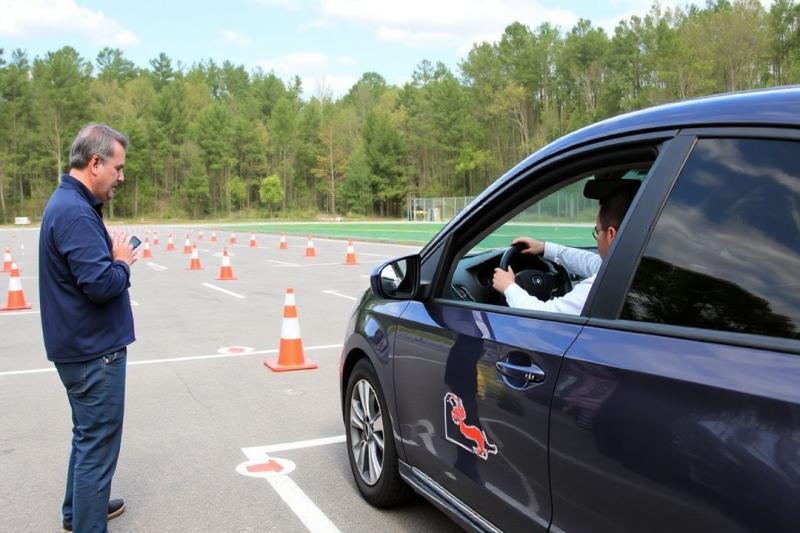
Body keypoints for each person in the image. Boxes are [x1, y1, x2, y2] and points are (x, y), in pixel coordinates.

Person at [39, 124, 137, 533]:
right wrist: (122, 261)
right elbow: (100, 285)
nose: (121, 176)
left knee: (86, 438)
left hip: (80, 348)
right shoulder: (75, 212)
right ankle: (87, 524)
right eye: (117, 167)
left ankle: (74, 513)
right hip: (94, 354)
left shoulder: (70, 204)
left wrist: (112, 257)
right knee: (97, 446)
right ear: (94, 163)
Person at [492, 181, 639, 315]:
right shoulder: (634, 267)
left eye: (597, 230)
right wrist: (544, 248)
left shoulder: (603, 286)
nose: (597, 236)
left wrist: (508, 287)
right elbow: (590, 262)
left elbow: (545, 315)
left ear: (611, 234)